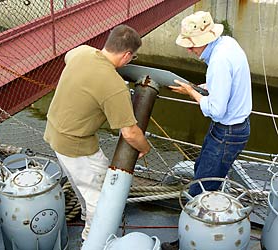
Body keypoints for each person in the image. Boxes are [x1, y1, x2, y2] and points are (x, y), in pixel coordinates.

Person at [44, 24, 150, 242]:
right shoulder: (114, 85)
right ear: (127, 55)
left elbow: (67, 57)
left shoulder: (82, 52)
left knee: (81, 185)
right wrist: (145, 148)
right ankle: (91, 239)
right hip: (77, 146)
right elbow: (130, 133)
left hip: (54, 134)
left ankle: (85, 216)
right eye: (132, 57)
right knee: (101, 196)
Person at [161, 11, 252, 250]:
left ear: (204, 40)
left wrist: (190, 93)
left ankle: (190, 241)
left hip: (227, 131)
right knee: (203, 169)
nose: (189, 50)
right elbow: (223, 86)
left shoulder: (219, 61)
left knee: (200, 188)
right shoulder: (227, 44)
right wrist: (200, 87)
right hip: (235, 129)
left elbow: (217, 109)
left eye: (192, 46)